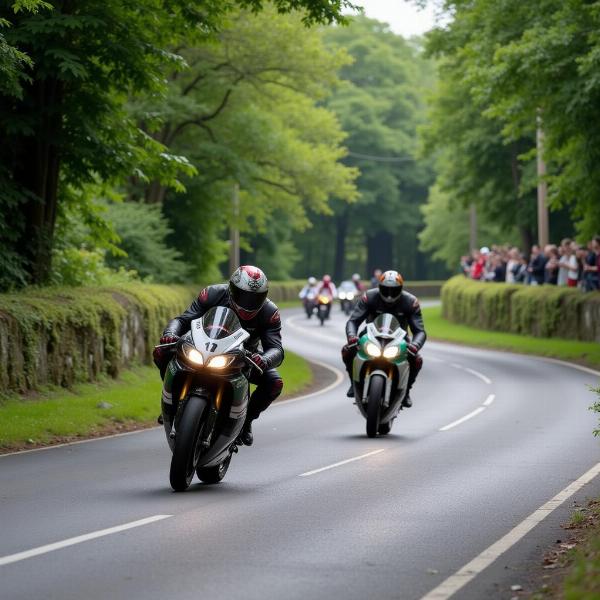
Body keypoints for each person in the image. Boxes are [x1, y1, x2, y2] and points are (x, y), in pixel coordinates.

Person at [152, 266, 283, 447]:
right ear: (231, 289)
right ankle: (172, 404)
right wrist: (170, 333)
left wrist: (265, 359)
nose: (248, 303)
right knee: (162, 352)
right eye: (242, 295)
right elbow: (183, 320)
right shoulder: (212, 294)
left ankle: (246, 421)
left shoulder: (270, 312)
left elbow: (276, 348)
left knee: (274, 383)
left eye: (255, 298)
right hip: (202, 347)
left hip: (244, 358)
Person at [341, 270, 426, 408]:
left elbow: (420, 331)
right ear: (379, 287)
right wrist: (352, 336)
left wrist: (415, 345)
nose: (389, 294)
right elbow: (353, 321)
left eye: (394, 290)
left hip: (399, 339)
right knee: (347, 350)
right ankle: (353, 383)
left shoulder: (411, 302)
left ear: (401, 289)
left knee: (417, 359)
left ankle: (406, 391)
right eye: (386, 290)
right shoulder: (369, 297)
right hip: (370, 336)